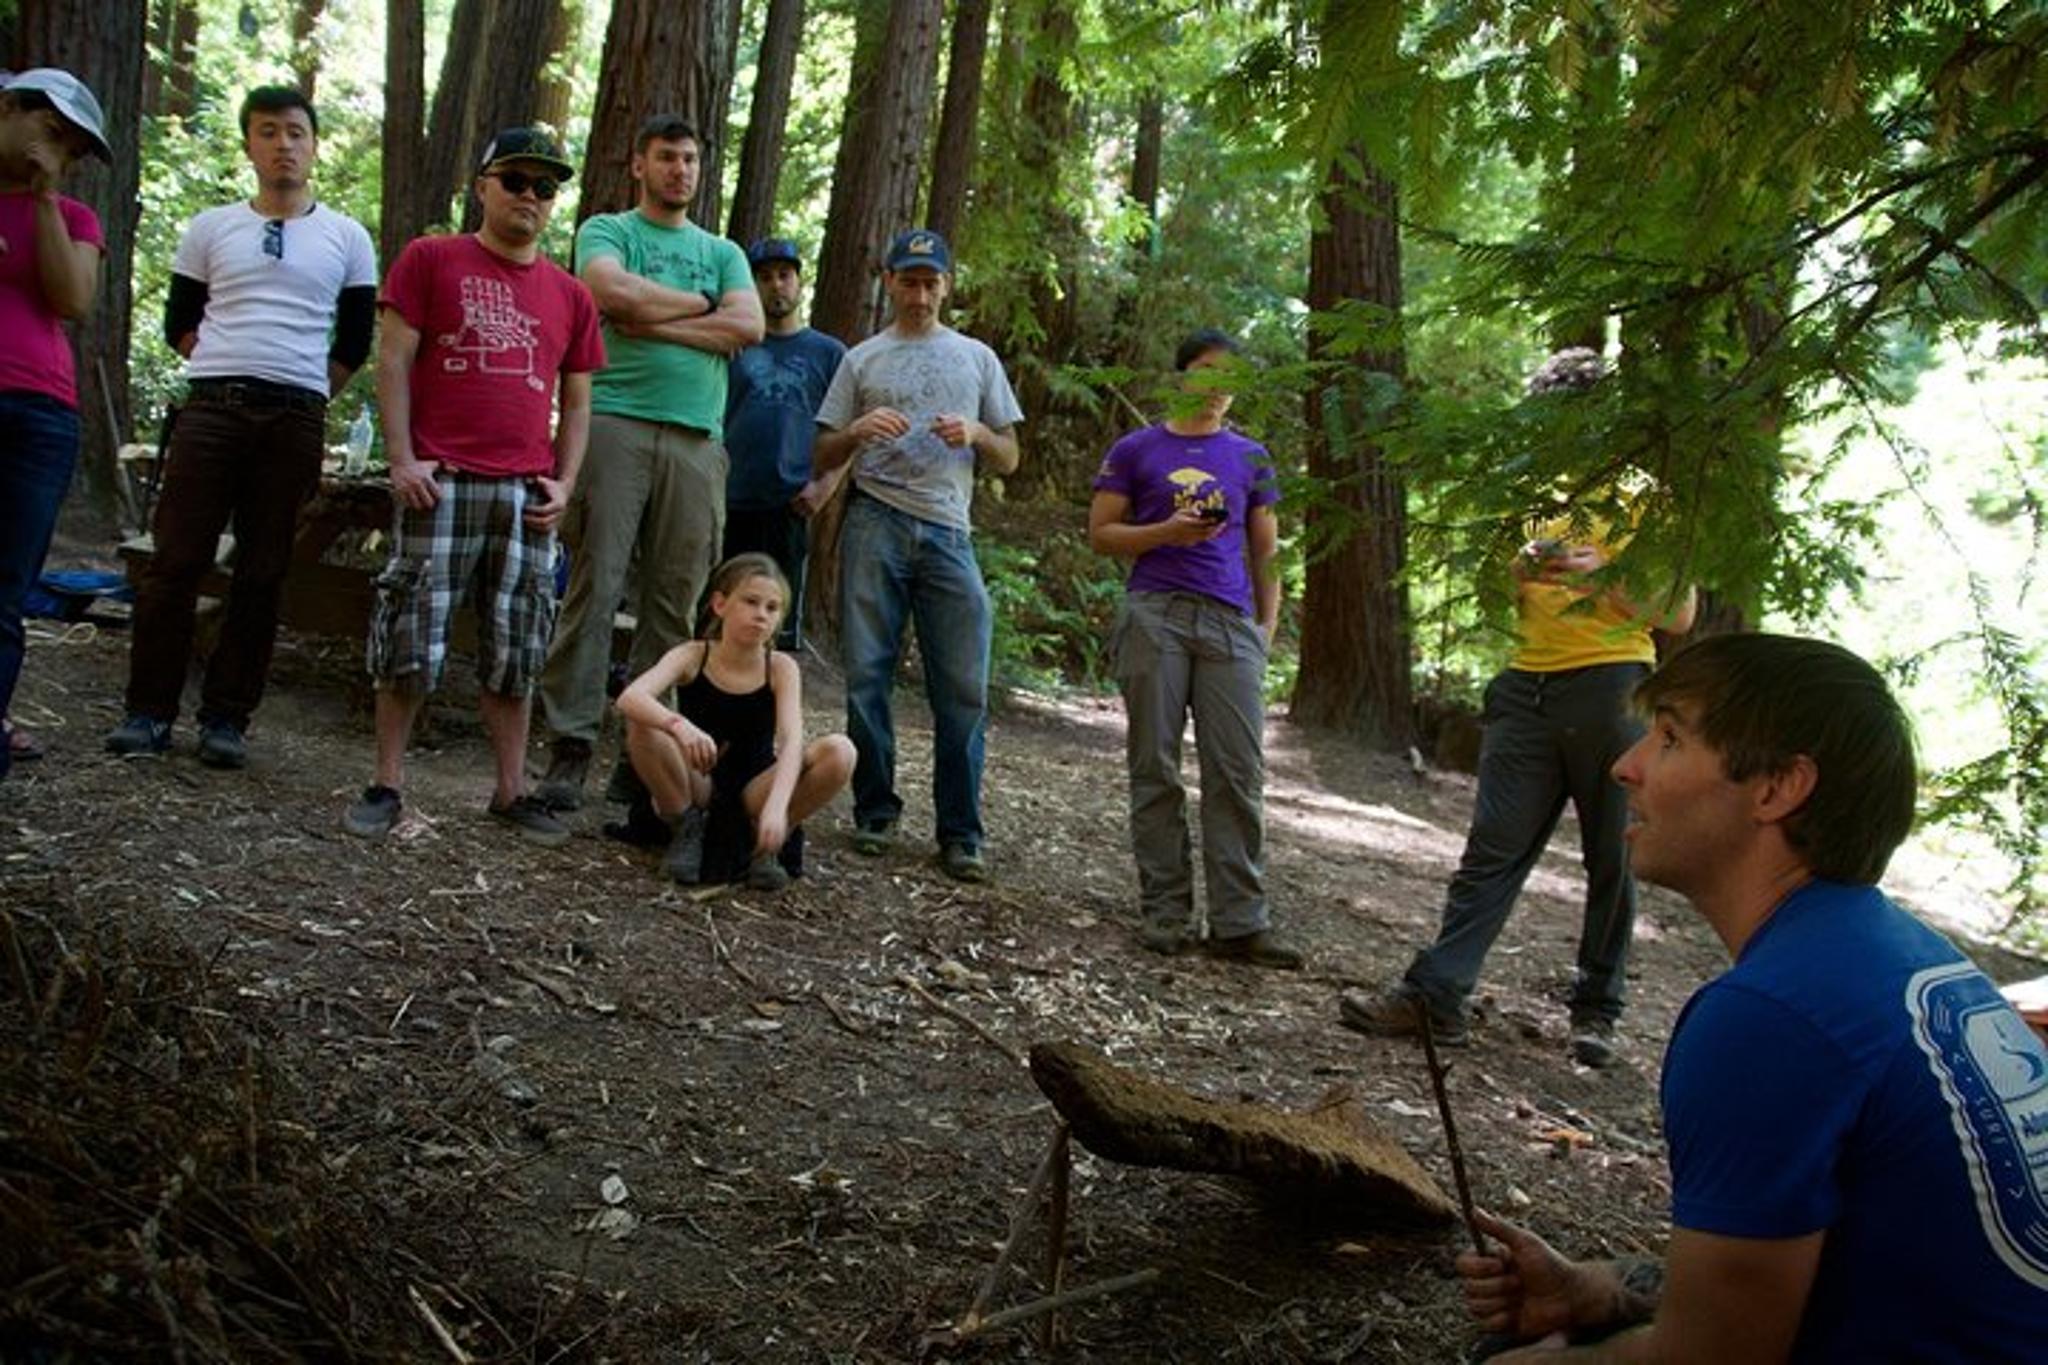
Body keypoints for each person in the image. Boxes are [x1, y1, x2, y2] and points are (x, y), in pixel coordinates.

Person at [1455, 632, 2048, 1361]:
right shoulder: (1902, 955)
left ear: (1776, 787)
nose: (1624, 764)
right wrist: (1603, 1287)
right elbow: (1830, 1262)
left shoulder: (1771, 1019)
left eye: (1669, 737)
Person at [1339, 349, 1695, 1066]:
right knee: (1490, 851)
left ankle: (1596, 1011)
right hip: (1527, 689)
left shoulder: (1641, 493)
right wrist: (1516, 568)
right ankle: (1438, 995)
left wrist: (1608, 575)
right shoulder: (1532, 491)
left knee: (1610, 856)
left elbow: (1679, 612)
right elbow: (1501, 591)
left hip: (1614, 690)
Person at [342, 127, 604, 845]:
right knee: (410, 632)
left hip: (524, 492)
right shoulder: (431, 259)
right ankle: (388, 782)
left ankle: (511, 789)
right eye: (516, 180)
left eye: (545, 187)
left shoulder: (571, 295)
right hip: (441, 481)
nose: (530, 196)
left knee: (517, 643)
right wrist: (401, 459)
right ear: (483, 184)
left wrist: (566, 481)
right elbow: (393, 363)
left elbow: (578, 402)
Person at [105, 86, 376, 769]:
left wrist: (301, 384)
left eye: (295, 132)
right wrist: (231, 369)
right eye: (267, 131)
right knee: (175, 561)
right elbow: (179, 324)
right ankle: (148, 711)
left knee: (264, 568)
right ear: (248, 144)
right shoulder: (211, 227)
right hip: (211, 411)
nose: (283, 144)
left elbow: (353, 341)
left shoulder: (347, 237)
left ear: (314, 145)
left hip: (295, 418)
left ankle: (226, 718)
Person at [534, 114, 763, 812]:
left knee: (677, 603)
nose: (680, 171)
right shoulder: (610, 231)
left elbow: (749, 325)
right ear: (640, 165)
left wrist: (656, 319)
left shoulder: (722, 251)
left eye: (690, 160)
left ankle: (644, 754)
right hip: (615, 425)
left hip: (697, 441)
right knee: (594, 586)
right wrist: (702, 311)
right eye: (666, 157)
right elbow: (611, 294)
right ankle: (570, 745)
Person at [812, 227, 1023, 884]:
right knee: (867, 673)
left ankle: (960, 831)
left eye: (932, 282)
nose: (921, 293)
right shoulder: (862, 359)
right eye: (910, 280)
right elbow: (819, 453)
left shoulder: (978, 358)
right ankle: (875, 810)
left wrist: (980, 432)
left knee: (960, 685)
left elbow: (1011, 457)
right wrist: (854, 431)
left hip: (948, 530)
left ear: (947, 286)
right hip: (874, 519)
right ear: (890, 283)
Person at [1087, 329, 1300, 970]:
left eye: (1229, 376)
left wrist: (1266, 629)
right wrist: (1165, 533)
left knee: (1237, 770)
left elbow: (1266, 552)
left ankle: (1239, 922)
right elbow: (1101, 534)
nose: (1216, 387)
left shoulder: (1251, 457)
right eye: (1205, 372)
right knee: (1154, 765)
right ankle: (1166, 911)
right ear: (1182, 376)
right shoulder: (1137, 449)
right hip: (1155, 614)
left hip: (1230, 624)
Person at [615, 552, 853, 889]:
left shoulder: (781, 667)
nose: (760, 615)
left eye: (772, 608)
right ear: (719, 604)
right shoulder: (693, 655)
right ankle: (685, 825)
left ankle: (767, 841)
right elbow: (631, 698)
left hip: (754, 787)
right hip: (699, 778)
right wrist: (679, 727)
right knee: (643, 721)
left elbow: (791, 740)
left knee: (840, 750)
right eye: (751, 602)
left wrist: (777, 806)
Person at [0, 68, 109, 782]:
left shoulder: (73, 218)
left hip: (38, 415)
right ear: (8, 108)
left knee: (4, 593)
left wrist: (42, 197)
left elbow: (70, 299)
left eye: (71, 149)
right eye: (50, 128)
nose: (57, 150)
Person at [720, 237, 846, 651]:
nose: (776, 286)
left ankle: (772, 711)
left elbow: (850, 432)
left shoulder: (828, 354)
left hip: (790, 503)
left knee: (776, 623)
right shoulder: (734, 344)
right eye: (765, 277)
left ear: (799, 282)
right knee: (722, 612)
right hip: (727, 499)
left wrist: (824, 487)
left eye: (785, 275)